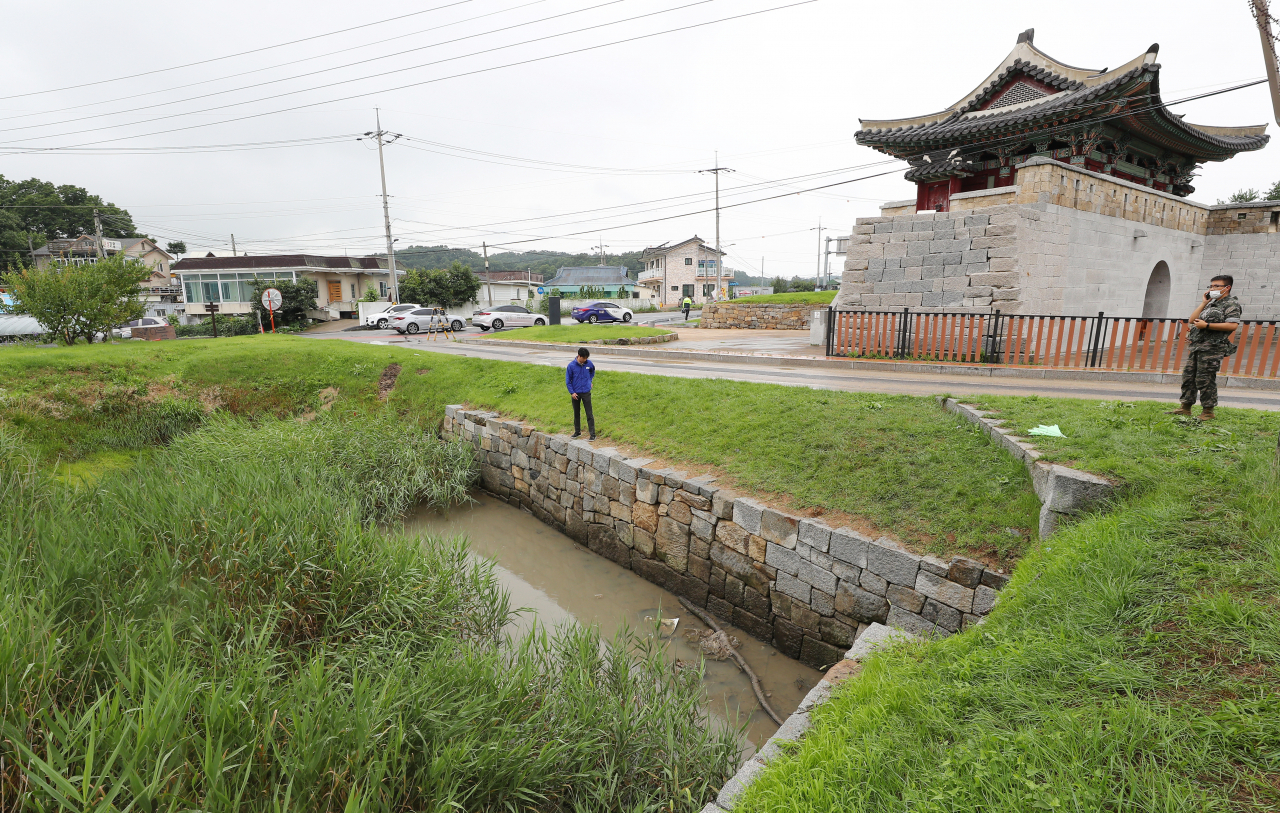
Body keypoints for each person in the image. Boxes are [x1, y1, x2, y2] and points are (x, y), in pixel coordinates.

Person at [1167, 274, 1241, 421]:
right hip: (1197, 346)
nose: (1212, 288)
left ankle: (1208, 411)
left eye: (1216, 286)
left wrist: (1206, 325)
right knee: (1189, 376)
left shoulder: (1231, 304)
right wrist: (1203, 303)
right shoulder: (1211, 303)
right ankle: (1185, 407)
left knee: (1205, 379)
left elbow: (1233, 325)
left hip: (1212, 348)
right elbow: (1191, 320)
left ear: (1227, 288)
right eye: (1211, 286)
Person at [566, 347, 596, 440]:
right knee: (576, 413)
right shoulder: (571, 366)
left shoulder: (589, 363)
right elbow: (568, 381)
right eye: (584, 358)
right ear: (579, 356)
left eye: (586, 358)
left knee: (589, 414)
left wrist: (589, 381)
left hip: (586, 392)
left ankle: (592, 434)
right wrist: (572, 392)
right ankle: (577, 431)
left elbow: (592, 371)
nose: (585, 360)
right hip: (576, 393)